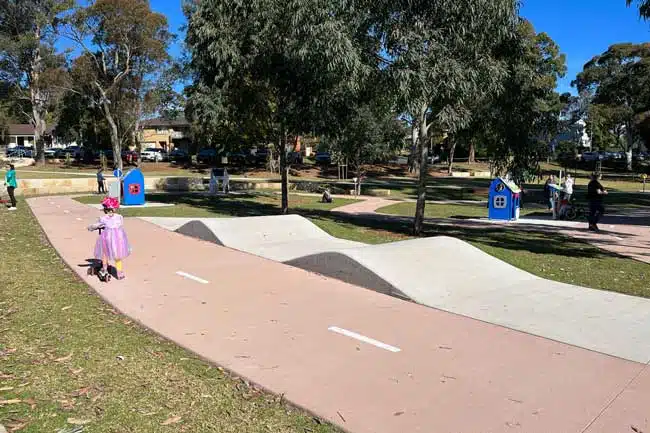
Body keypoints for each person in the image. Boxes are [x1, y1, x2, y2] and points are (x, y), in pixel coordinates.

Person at [87, 196, 131, 280]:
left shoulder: (103, 218)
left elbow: (96, 225)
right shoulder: (119, 217)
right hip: (118, 238)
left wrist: (90, 228)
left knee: (105, 254)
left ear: (105, 209)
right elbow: (120, 225)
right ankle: (119, 272)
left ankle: (104, 269)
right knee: (118, 255)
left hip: (107, 238)